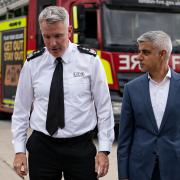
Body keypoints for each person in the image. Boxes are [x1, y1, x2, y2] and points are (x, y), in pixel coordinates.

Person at [11, 6, 114, 180]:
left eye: (58, 36)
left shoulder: (90, 61)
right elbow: (21, 110)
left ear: (69, 31)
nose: (52, 43)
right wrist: (19, 151)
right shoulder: (32, 63)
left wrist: (104, 150)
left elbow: (104, 108)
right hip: (42, 148)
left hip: (80, 148)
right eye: (46, 36)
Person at [117, 30, 180, 180]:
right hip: (140, 170)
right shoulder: (131, 89)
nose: (138, 57)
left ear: (162, 54)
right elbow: (124, 137)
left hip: (175, 169)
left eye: (145, 52)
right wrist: (123, 175)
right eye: (139, 51)